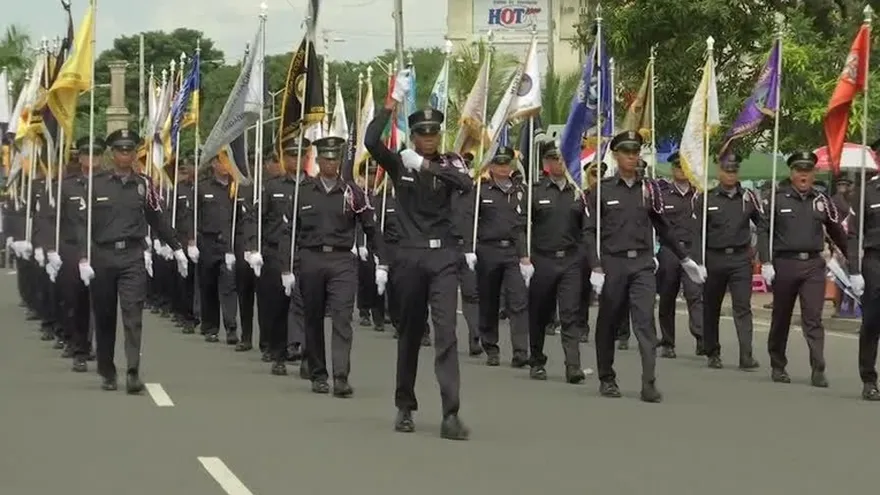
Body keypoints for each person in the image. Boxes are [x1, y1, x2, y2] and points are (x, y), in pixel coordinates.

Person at [365, 70, 473, 439]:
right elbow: (369, 142)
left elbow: (465, 183)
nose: (428, 139)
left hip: (443, 256)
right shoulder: (398, 163)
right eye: (422, 135)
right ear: (413, 137)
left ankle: (450, 414)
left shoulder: (450, 163)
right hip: (409, 257)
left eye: (433, 134)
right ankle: (405, 406)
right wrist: (390, 102)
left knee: (446, 334)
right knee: (410, 333)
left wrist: (426, 166)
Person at [586, 131, 706, 402]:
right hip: (613, 263)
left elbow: (663, 226)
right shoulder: (602, 190)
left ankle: (649, 382)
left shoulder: (649, 189)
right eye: (626, 152)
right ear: (616, 155)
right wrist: (595, 266)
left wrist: (685, 258)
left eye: (635, 152)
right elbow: (589, 231)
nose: (632, 156)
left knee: (645, 322)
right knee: (609, 321)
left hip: (642, 263)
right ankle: (607, 377)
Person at [85, 129, 186, 393]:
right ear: (112, 153)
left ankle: (132, 371)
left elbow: (157, 218)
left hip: (132, 256)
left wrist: (176, 247)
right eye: (120, 150)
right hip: (103, 255)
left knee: (133, 315)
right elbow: (81, 224)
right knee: (105, 317)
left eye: (129, 150)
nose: (125, 154)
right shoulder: (96, 184)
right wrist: (82, 257)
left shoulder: (144, 184)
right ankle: (107, 370)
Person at [286, 136, 382, 396]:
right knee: (313, 317)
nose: (331, 163)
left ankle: (341, 376)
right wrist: (288, 268)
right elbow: (289, 231)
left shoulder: (352, 192)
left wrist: (381, 260)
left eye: (335, 159)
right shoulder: (303, 191)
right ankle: (318, 374)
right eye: (326, 159)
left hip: (342, 260)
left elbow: (370, 226)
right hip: (311, 258)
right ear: (317, 161)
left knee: (342, 317)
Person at [757, 151, 848, 387]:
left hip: (813, 266)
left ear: (814, 173)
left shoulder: (823, 201)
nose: (804, 175)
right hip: (785, 264)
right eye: (799, 170)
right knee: (781, 317)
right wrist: (766, 262)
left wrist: (854, 263)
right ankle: (778, 364)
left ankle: (818, 368)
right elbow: (764, 231)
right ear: (792, 173)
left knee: (813, 318)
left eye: (808, 171)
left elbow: (837, 231)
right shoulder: (776, 199)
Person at [246, 137, 310, 374]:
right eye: (292, 155)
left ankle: (307, 356)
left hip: (304, 253)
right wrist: (253, 248)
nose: (296, 159)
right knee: (277, 308)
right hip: (275, 254)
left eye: (301, 155)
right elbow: (255, 219)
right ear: (285, 158)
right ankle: (278, 354)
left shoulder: (311, 187)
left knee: (306, 307)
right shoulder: (272, 186)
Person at [695, 153, 764, 370]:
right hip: (714, 258)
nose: (730, 175)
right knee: (711, 307)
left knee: (742, 307)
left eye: (734, 171)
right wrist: (698, 262)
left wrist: (760, 252)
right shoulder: (706, 198)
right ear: (719, 172)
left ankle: (746, 355)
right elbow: (697, 234)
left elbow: (762, 224)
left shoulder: (748, 198)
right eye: (727, 170)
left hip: (740, 259)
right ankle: (712, 352)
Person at [526, 139, 586, 382]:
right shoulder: (536, 191)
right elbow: (523, 227)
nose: (558, 163)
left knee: (570, 313)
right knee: (540, 313)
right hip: (543, 260)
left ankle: (573, 366)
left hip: (571, 260)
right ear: (546, 163)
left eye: (562, 158)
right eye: (553, 159)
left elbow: (587, 228)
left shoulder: (578, 192)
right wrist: (524, 258)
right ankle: (537, 360)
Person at [465, 145, 530, 367]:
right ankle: (491, 347)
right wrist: (469, 249)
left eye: (506, 164)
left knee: (518, 301)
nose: (502, 168)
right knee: (489, 300)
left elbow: (524, 225)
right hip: (488, 250)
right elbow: (469, 221)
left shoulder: (521, 191)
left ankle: (521, 351)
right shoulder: (481, 190)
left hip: (513, 252)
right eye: (498, 164)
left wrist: (525, 255)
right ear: (490, 167)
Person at [57, 136, 104, 371]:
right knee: (76, 301)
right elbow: (58, 220)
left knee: (101, 302)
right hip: (74, 250)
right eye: (87, 155)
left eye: (96, 155)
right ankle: (79, 349)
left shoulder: (109, 183)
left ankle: (97, 347)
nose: (91, 159)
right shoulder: (67, 186)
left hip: (101, 249)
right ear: (80, 158)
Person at [655, 152, 704, 358]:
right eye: (677, 167)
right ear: (672, 170)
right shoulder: (663, 195)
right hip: (670, 251)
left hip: (692, 250)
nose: (681, 171)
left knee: (695, 295)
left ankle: (701, 338)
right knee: (667, 296)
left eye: (684, 166)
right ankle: (668, 342)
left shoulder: (699, 195)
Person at [190, 152, 239, 344]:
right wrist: (191, 241)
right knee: (208, 285)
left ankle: (231, 327)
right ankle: (210, 327)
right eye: (222, 161)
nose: (226, 165)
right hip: (208, 242)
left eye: (228, 160)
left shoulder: (237, 187)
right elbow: (192, 216)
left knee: (229, 286)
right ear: (213, 163)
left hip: (229, 243)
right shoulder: (202, 187)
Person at [847, 174, 880, 400]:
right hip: (875, 259)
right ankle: (869, 379)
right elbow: (853, 234)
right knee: (872, 320)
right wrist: (854, 270)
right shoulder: (866, 192)